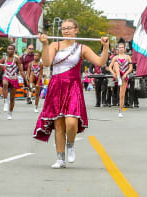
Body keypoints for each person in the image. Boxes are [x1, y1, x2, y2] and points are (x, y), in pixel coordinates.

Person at [33, 19, 109, 169]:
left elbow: (100, 62)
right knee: (59, 123)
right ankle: (60, 159)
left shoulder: (82, 48)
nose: (66, 31)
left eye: (69, 28)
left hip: (73, 86)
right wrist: (45, 44)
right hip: (56, 86)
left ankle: (71, 144)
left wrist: (105, 47)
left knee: (71, 121)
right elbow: (47, 63)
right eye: (63, 28)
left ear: (76, 30)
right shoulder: (55, 45)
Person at [0, 44, 28, 120]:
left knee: (12, 98)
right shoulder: (4, 59)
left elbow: (21, 71)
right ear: (7, 50)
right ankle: (5, 101)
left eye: (11, 49)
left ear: (14, 50)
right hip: (6, 76)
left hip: (14, 77)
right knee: (5, 84)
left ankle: (10, 113)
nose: (10, 50)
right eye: (9, 49)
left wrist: (26, 80)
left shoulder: (17, 59)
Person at [109, 42, 133, 117]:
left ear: (124, 49)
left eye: (122, 47)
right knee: (115, 63)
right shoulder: (115, 57)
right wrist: (113, 73)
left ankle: (120, 110)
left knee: (122, 95)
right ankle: (118, 78)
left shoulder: (128, 57)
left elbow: (131, 68)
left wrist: (125, 74)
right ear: (117, 49)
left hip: (124, 75)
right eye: (119, 47)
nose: (121, 49)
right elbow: (110, 67)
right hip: (117, 74)